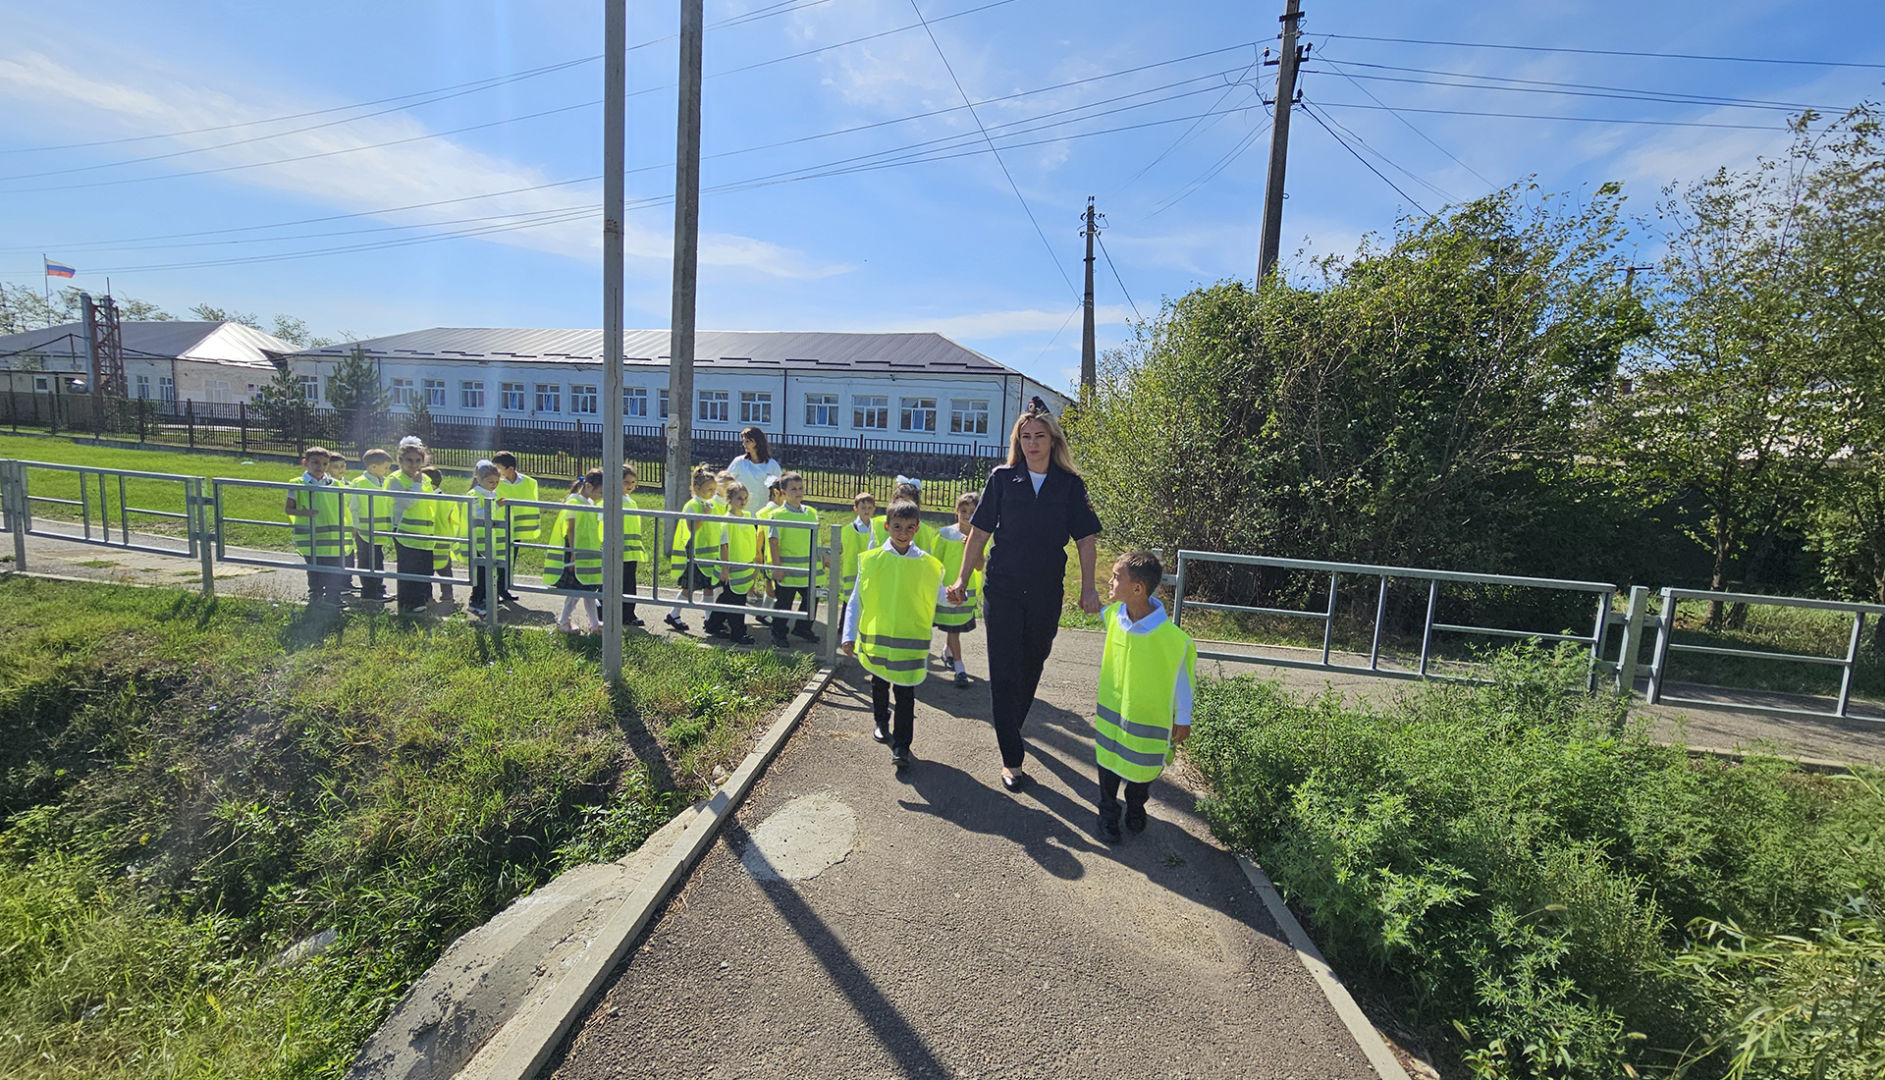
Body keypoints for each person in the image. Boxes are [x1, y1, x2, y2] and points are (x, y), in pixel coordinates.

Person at [948, 399, 1103, 793]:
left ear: (1053, 440)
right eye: (1025, 436)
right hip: (1002, 588)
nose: (1032, 443)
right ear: (1018, 440)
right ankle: (1011, 758)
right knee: (1003, 671)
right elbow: (979, 533)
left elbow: (1086, 538)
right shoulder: (1002, 479)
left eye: (1040, 436)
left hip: (1045, 590)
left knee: (1032, 664)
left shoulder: (1070, 485)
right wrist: (962, 579)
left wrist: (1088, 588)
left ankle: (1010, 728)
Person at [1093, 552, 1196, 844]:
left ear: (1137, 588)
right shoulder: (1114, 616)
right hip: (1112, 722)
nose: (1110, 581)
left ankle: (1136, 805)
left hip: (1147, 722)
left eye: (1116, 577)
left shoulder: (1173, 640)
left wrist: (1183, 719)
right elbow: (1096, 608)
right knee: (1108, 766)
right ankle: (1108, 812)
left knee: (1142, 771)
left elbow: (1182, 682)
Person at [841, 500, 946, 773]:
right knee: (878, 684)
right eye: (897, 527)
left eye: (910, 528)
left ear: (917, 529)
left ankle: (902, 745)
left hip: (908, 644)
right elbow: (856, 600)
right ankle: (880, 720)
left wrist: (958, 593)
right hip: (878, 640)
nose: (903, 533)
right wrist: (848, 634)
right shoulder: (872, 561)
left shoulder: (926, 564)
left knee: (905, 693)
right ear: (887, 526)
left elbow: (941, 596)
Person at [283, 446, 346, 606]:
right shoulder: (297, 484)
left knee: (334, 568)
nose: (320, 467)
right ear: (305, 463)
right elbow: (288, 508)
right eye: (315, 463)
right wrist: (304, 513)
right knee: (315, 569)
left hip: (332, 536)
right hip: (310, 537)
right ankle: (316, 596)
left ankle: (333, 597)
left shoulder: (336, 484)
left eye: (325, 464)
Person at [931, 491, 982, 688]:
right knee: (952, 626)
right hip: (948, 590)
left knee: (955, 626)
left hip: (967, 590)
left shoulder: (978, 536)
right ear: (956, 512)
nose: (967, 515)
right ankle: (960, 668)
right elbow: (936, 561)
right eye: (963, 511)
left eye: (972, 511)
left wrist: (971, 546)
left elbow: (979, 566)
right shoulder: (946, 533)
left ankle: (947, 651)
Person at [546, 470, 606, 633]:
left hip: (588, 552)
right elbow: (571, 529)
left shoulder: (589, 503)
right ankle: (564, 621)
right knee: (577, 590)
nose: (601, 496)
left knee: (588, 588)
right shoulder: (574, 502)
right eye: (600, 492)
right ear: (588, 486)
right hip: (577, 552)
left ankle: (594, 623)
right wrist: (573, 553)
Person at [768, 471, 822, 648]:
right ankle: (778, 633)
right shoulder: (778, 515)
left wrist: (824, 557)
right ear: (783, 492)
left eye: (800, 488)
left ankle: (803, 628)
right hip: (788, 570)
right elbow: (773, 542)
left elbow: (817, 539)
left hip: (808, 570)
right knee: (784, 604)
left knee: (811, 600)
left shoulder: (811, 512)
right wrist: (777, 567)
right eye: (793, 489)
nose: (798, 492)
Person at [384, 437, 437, 614]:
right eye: (409, 460)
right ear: (400, 461)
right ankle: (408, 604)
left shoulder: (425, 479)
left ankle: (422, 599)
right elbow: (408, 502)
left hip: (425, 531)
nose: (414, 464)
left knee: (424, 568)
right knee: (409, 568)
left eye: (418, 460)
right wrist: (416, 484)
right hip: (405, 531)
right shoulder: (395, 480)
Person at [666, 465, 721, 634]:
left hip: (709, 553)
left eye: (714, 489)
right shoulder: (692, 505)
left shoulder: (710, 504)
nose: (712, 492)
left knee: (709, 586)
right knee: (689, 587)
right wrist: (703, 516)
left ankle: (709, 619)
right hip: (696, 552)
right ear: (697, 489)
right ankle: (674, 613)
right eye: (708, 489)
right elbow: (692, 528)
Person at [712, 481, 760, 645]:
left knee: (728, 598)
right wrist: (725, 569)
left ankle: (713, 624)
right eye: (739, 498)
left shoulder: (746, 517)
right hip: (732, 568)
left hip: (745, 565)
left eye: (745, 498)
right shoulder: (727, 521)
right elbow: (724, 545)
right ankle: (738, 633)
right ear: (729, 499)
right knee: (737, 601)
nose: (743, 502)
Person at [347, 448, 394, 605]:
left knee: (378, 559)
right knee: (366, 561)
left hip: (379, 530)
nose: (388, 471)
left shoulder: (384, 481)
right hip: (364, 530)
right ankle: (369, 591)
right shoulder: (360, 483)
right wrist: (354, 526)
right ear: (373, 467)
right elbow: (353, 506)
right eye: (386, 467)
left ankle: (378, 587)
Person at [464, 460, 510, 619]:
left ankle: (485, 598)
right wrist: (496, 506)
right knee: (481, 573)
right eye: (491, 482)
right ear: (479, 479)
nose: (494, 485)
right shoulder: (474, 494)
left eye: (497, 482)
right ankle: (475, 601)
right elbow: (478, 514)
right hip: (479, 540)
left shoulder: (492, 493)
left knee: (490, 572)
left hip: (490, 541)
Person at [492, 452, 537, 602]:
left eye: (498, 468)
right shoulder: (494, 482)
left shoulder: (529, 483)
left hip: (516, 529)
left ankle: (503, 589)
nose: (495, 471)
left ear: (510, 468)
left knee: (510, 559)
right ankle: (493, 591)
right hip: (498, 528)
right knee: (497, 560)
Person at [870, 477, 939, 552]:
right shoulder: (878, 524)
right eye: (901, 499)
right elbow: (872, 551)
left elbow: (926, 556)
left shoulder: (923, 531)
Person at [422, 466, 457, 606]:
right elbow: (454, 519)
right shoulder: (448, 499)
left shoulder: (424, 498)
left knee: (426, 570)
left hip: (428, 538)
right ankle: (448, 594)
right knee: (445, 569)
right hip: (444, 538)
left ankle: (427, 595)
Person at [727, 425, 783, 512]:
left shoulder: (771, 465)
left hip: (763, 513)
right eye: (744, 441)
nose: (744, 444)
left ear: (757, 442)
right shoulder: (739, 462)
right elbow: (727, 482)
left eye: (748, 441)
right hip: (742, 512)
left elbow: (779, 490)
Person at [620, 462, 650, 627]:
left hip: (630, 552)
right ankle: (606, 612)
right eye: (626, 482)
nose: (630, 486)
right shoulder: (614, 500)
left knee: (629, 584)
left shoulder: (630, 501)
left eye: (633, 482)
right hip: (617, 551)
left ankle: (629, 614)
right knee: (613, 583)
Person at [837, 491, 876, 600]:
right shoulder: (848, 530)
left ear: (874, 509)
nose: (866, 511)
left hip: (871, 574)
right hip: (852, 573)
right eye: (863, 508)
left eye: (869, 507)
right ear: (856, 509)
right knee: (848, 608)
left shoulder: (877, 528)